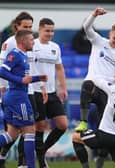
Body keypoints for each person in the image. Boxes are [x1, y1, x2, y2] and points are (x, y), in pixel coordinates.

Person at [75, 7, 115, 168]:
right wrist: (94, 15)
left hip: (108, 92)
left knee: (105, 129)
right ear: (110, 34)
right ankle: (83, 122)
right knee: (87, 84)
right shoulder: (99, 41)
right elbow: (86, 27)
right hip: (94, 85)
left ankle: (100, 159)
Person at [0, 30, 47, 168]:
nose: (33, 42)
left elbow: (24, 79)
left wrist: (39, 78)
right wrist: (20, 79)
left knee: (11, 135)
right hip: (17, 97)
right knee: (30, 130)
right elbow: (2, 71)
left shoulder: (24, 56)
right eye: (31, 40)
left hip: (16, 96)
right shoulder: (14, 54)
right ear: (23, 41)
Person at [0, 11, 36, 168]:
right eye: (25, 26)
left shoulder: (28, 44)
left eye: (30, 26)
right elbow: (3, 68)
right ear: (17, 26)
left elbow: (29, 69)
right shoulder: (11, 44)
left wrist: (39, 83)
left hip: (27, 91)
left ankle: (22, 163)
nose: (29, 29)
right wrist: (2, 87)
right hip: (15, 93)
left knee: (13, 133)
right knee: (28, 129)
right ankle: (26, 164)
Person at [32, 18, 68, 168]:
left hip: (52, 92)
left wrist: (63, 88)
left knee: (62, 125)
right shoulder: (32, 45)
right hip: (36, 91)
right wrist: (39, 85)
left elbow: (59, 68)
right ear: (39, 30)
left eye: (52, 30)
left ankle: (42, 151)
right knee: (40, 127)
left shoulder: (55, 47)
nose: (50, 33)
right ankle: (41, 160)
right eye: (47, 30)